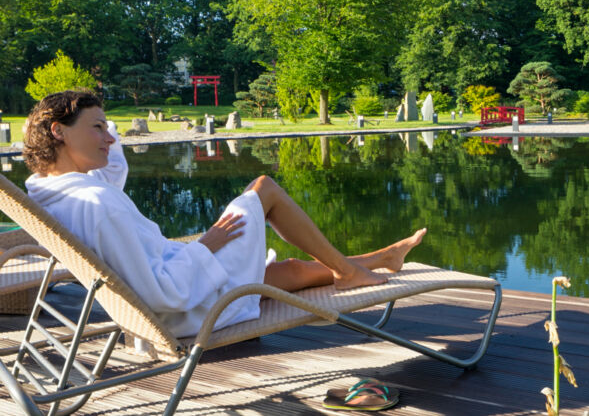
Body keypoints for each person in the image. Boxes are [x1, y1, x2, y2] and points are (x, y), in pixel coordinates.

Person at [22, 90, 425, 338]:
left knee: (285, 273)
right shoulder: (97, 204)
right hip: (183, 308)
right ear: (58, 131)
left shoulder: (50, 192)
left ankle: (380, 258)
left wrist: (95, 121)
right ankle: (350, 271)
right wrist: (204, 246)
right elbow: (162, 292)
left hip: (176, 288)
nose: (110, 138)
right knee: (264, 189)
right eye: (99, 128)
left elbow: (112, 171)